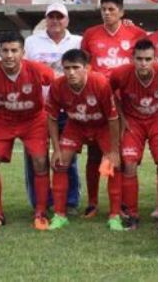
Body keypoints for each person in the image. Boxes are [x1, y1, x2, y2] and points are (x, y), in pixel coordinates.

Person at [0, 36, 54, 232]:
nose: (9, 55)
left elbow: (58, 87)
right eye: (5, 50)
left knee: (39, 161)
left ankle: (40, 213)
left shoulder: (38, 70)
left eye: (14, 50)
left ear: (23, 53)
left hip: (34, 120)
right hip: (4, 120)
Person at [80, 0, 147, 216]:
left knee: (120, 152)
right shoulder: (90, 34)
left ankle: (122, 205)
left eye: (111, 9)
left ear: (121, 11)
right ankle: (92, 202)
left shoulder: (136, 34)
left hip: (125, 101)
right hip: (97, 100)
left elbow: (144, 61)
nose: (106, 13)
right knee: (93, 153)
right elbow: (84, 65)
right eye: (103, 9)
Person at [47, 49, 123, 231]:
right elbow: (52, 118)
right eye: (66, 68)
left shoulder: (100, 83)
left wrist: (113, 150)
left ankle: (115, 216)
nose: (71, 72)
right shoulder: (57, 85)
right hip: (76, 126)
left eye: (76, 67)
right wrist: (56, 149)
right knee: (60, 163)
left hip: (101, 126)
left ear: (87, 68)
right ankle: (59, 215)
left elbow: (113, 119)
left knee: (115, 164)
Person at [110, 40, 158, 229]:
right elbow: (110, 92)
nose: (143, 63)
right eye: (139, 59)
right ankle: (132, 214)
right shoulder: (120, 74)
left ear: (155, 59)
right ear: (132, 59)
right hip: (134, 123)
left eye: (148, 59)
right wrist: (122, 118)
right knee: (129, 165)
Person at [23, 2, 82, 214]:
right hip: (38, 109)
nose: (56, 21)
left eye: (60, 17)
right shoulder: (31, 42)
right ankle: (40, 201)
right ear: (45, 19)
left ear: (67, 20)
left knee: (68, 157)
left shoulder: (77, 41)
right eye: (51, 17)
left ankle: (70, 201)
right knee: (35, 157)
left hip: (68, 107)